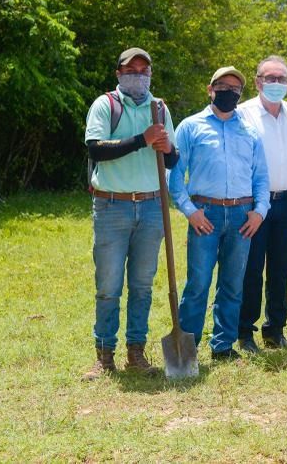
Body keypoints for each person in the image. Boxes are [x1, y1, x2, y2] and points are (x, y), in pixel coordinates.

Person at [83, 47, 178, 379]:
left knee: (142, 285)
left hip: (152, 206)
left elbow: (172, 160)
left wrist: (168, 149)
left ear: (151, 74)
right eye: (131, 69)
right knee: (109, 284)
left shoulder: (160, 108)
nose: (138, 75)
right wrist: (142, 139)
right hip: (112, 205)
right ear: (119, 74)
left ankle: (136, 352)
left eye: (144, 70)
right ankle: (104, 355)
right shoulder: (106, 105)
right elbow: (96, 148)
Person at [170, 66, 271, 360]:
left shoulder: (250, 130)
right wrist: (190, 211)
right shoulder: (190, 127)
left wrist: (259, 212)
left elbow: (261, 177)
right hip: (205, 214)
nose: (229, 91)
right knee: (198, 283)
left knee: (232, 283)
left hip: (242, 216)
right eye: (223, 86)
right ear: (210, 88)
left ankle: (223, 345)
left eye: (235, 88)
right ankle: (186, 350)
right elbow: (175, 176)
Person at [236, 56, 287, 352]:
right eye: (270, 78)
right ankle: (245, 331)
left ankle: (275, 329)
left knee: (280, 268)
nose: (276, 84)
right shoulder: (243, 113)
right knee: (250, 268)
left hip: (285, 201)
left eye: (282, 79)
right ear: (257, 81)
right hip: (253, 205)